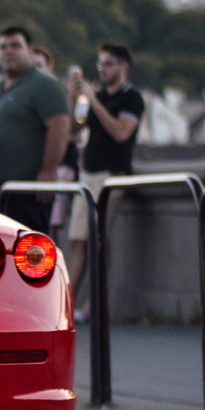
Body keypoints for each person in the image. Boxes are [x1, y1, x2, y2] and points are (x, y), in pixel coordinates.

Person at [0, 25, 70, 233]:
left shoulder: (44, 85)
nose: (8, 51)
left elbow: (59, 127)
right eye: (2, 47)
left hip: (22, 193)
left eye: (15, 46)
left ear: (31, 51)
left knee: (24, 257)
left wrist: (48, 170)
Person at [66, 42, 145, 304]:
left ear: (123, 66)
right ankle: (66, 303)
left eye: (108, 64)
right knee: (78, 241)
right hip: (87, 175)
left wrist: (95, 101)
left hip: (112, 177)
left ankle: (93, 306)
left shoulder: (131, 97)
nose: (102, 69)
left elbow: (121, 132)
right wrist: (74, 98)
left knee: (98, 241)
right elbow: (74, 130)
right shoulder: (94, 97)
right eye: (100, 64)